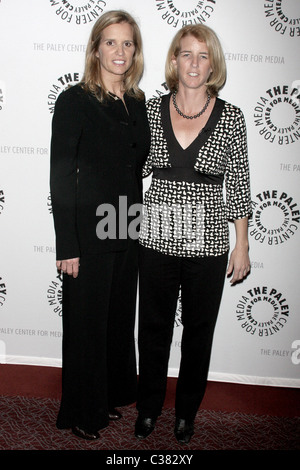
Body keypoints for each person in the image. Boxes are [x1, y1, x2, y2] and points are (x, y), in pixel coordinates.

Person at [135, 24, 252, 444]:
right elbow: (133, 170)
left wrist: (242, 244)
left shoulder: (232, 116)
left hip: (208, 247)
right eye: (187, 54)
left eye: (204, 56)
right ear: (174, 60)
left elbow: (238, 183)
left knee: (199, 334)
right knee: (152, 330)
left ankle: (186, 413)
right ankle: (147, 409)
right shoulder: (150, 110)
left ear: (213, 64)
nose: (195, 63)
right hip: (156, 240)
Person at [50, 10, 150, 440]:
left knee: (114, 321)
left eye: (127, 43)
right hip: (88, 233)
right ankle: (81, 412)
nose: (120, 51)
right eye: (111, 42)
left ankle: (105, 398)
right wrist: (67, 244)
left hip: (128, 228)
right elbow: (60, 175)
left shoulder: (138, 101)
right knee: (86, 324)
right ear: (95, 48)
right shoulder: (76, 100)